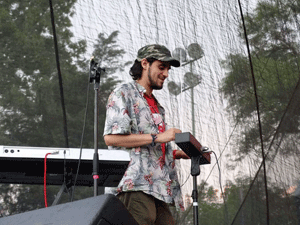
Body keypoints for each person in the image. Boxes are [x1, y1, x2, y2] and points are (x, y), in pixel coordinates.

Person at [103, 44, 189, 225]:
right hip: (134, 183)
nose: (166, 74)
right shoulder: (123, 93)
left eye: (168, 69)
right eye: (161, 67)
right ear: (144, 64)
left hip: (159, 187)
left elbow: (148, 148)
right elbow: (111, 138)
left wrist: (174, 153)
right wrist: (159, 137)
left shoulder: (157, 105)